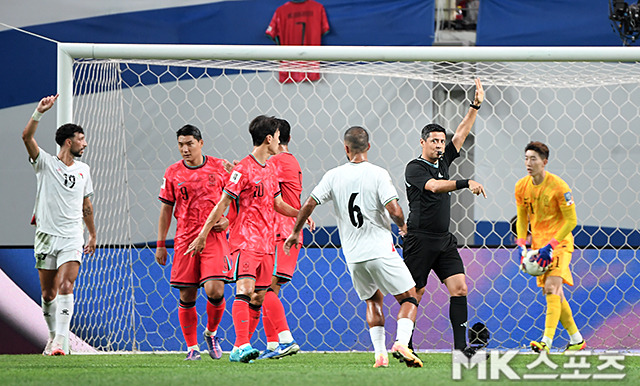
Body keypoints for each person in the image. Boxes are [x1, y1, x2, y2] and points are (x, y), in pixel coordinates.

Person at [284, 126, 423, 368]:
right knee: (409, 296)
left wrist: (296, 231)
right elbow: (395, 210)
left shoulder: (333, 176)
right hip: (380, 249)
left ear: (346, 148)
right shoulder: (378, 174)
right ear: (369, 147)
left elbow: (308, 203)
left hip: (353, 256)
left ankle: (380, 356)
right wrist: (403, 227)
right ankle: (401, 342)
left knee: (372, 300)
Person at [186, 115, 313, 363]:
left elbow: (277, 203)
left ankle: (242, 346)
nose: (279, 141)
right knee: (245, 290)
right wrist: (203, 234)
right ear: (268, 138)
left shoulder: (272, 169)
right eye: (277, 137)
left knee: (260, 295)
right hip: (245, 241)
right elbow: (222, 204)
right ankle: (242, 345)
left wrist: (301, 214)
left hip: (267, 245)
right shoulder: (242, 169)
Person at [402, 78, 486, 358]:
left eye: (441, 140)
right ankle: (406, 344)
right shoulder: (414, 168)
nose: (440, 145)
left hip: (443, 240)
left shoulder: (443, 161)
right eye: (434, 141)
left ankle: (461, 349)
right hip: (419, 240)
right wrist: (465, 182)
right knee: (416, 293)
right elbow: (435, 186)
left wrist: (474, 106)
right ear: (423, 142)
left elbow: (460, 135)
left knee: (460, 288)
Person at [22, 94, 96, 356]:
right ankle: (53, 336)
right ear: (69, 141)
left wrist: (93, 234)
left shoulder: (84, 170)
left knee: (67, 286)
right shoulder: (45, 163)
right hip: (45, 237)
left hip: (72, 235)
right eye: (81, 139)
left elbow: (86, 204)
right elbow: (26, 137)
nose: (85, 144)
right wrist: (39, 112)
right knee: (48, 293)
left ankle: (61, 341)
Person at [156, 124, 233, 361]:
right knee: (187, 295)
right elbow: (166, 210)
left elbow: (239, 199)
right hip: (185, 238)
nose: (185, 149)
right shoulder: (172, 173)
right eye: (181, 144)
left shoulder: (221, 167)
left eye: (189, 143)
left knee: (215, 289)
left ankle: (211, 333)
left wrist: (229, 220)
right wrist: (161, 243)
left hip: (213, 236)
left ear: (201, 143)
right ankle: (192, 348)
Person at [515, 141, 585, 353]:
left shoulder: (560, 187)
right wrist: (521, 245)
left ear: (544, 162)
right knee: (557, 294)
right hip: (538, 247)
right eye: (526, 158)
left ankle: (546, 341)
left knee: (551, 288)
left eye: (533, 159)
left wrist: (551, 245)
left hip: (560, 244)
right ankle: (576, 339)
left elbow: (571, 221)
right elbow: (521, 219)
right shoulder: (521, 186)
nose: (528, 163)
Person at [257, 118, 303, 360]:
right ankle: (273, 345)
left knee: (264, 289)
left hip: (281, 233)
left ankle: (286, 340)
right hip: (281, 233)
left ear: (272, 138)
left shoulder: (277, 162)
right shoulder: (289, 161)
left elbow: (262, 186)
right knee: (267, 289)